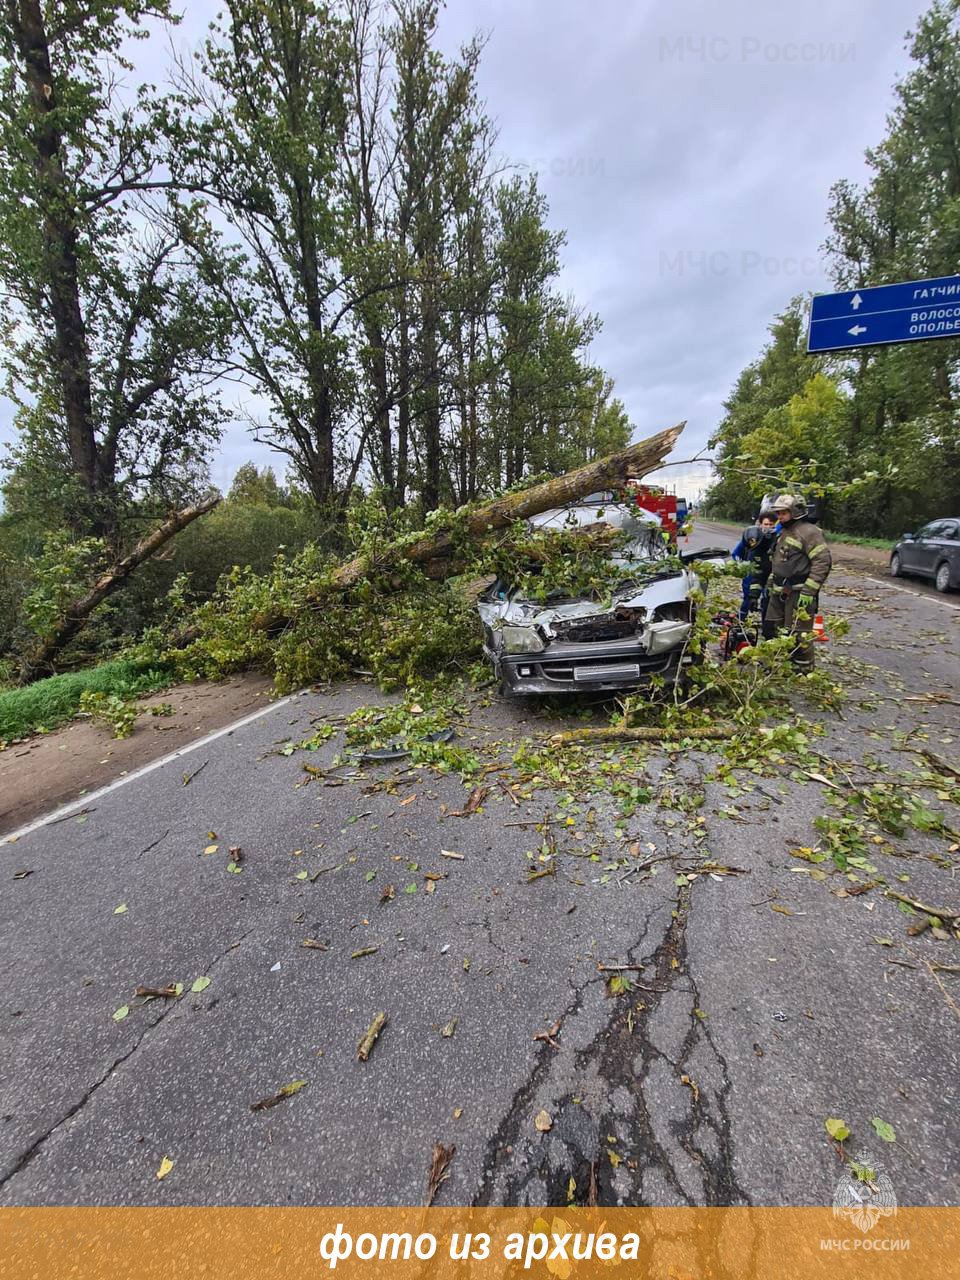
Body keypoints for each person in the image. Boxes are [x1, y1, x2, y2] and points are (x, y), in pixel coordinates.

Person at [763, 493, 832, 671]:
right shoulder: (785, 531)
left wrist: (809, 591)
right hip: (779, 590)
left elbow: (822, 562)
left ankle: (803, 670)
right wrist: (770, 584)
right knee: (774, 627)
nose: (779, 517)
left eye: (783, 513)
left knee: (799, 633)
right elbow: (779, 560)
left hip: (798, 592)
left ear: (795, 512)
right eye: (778, 513)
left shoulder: (809, 532)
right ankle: (781, 664)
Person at [732, 508, 777, 621]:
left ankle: (765, 623)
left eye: (771, 525)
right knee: (748, 598)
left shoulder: (776, 538)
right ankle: (741, 620)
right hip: (751, 574)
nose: (768, 527)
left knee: (766, 599)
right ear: (760, 523)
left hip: (767, 575)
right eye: (766, 524)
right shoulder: (752, 537)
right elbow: (736, 554)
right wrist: (742, 567)